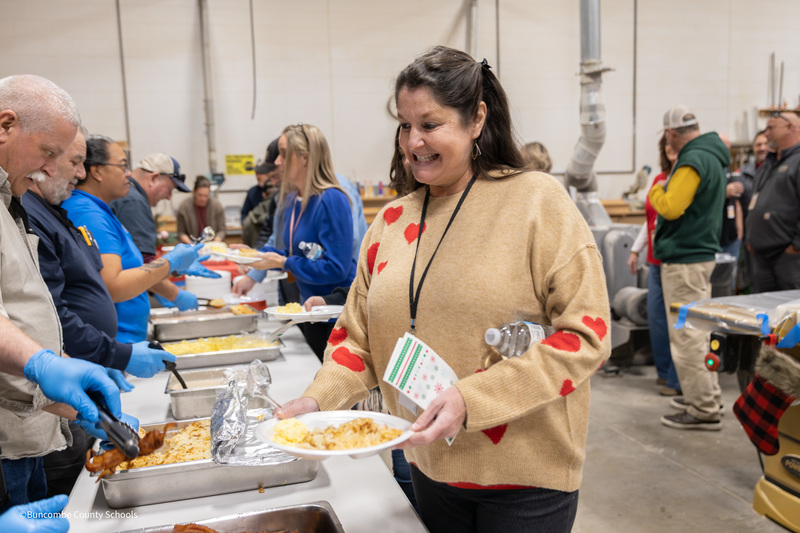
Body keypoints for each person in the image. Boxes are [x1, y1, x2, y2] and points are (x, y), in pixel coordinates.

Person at [276, 47, 610, 532]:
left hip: (525, 479)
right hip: (429, 467)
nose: (413, 142)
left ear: (476, 119)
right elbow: (356, 340)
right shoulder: (391, 222)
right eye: (404, 125)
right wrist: (316, 401)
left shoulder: (537, 203)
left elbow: (587, 338)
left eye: (430, 125)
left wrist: (470, 399)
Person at [0, 74, 131, 514]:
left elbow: (24, 312)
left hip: (26, 432)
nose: (53, 169)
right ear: (5, 125)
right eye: (48, 153)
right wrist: (44, 363)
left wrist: (65, 402)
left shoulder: (9, 201)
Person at [22, 130, 172, 495]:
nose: (79, 172)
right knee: (66, 491)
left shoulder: (60, 211)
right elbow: (52, 313)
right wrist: (112, 353)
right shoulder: (37, 213)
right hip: (45, 400)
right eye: (74, 162)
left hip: (77, 368)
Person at [62, 135, 215, 343]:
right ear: (97, 171)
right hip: (116, 338)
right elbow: (112, 285)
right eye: (123, 166)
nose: (129, 175)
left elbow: (126, 264)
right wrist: (170, 264)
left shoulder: (100, 209)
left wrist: (174, 267)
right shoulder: (89, 214)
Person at [236, 124, 357, 360]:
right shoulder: (292, 200)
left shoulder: (332, 199)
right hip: (309, 310)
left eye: (283, 153)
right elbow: (290, 252)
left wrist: (284, 263)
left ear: (305, 157)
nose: (277, 162)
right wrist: (253, 255)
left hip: (336, 316)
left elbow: (336, 268)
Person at [648, 105, 728, 430]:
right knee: (698, 331)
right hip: (697, 258)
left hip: (685, 261)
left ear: (671, 134)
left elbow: (670, 206)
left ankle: (703, 409)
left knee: (688, 336)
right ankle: (705, 394)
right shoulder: (711, 154)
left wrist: (655, 189)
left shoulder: (693, 159)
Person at [110, 153, 203, 311]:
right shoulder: (133, 202)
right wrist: (176, 295)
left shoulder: (129, 196)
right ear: (153, 178)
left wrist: (174, 267)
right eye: (169, 190)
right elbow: (145, 267)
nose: (168, 197)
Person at [627, 134, 681, 397]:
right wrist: (637, 249)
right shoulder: (659, 180)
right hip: (655, 261)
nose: (670, 150)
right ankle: (663, 373)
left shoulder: (684, 180)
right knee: (657, 320)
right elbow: (650, 221)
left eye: (675, 145)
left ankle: (677, 379)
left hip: (675, 260)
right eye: (666, 146)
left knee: (676, 323)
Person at [744, 112, 800, 292]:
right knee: (764, 313)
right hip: (761, 257)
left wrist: (796, 246)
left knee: (791, 313)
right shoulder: (767, 165)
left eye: (771, 128)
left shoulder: (797, 162)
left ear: (790, 127)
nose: (766, 133)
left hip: (788, 259)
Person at [242, 139, 281, 247]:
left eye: (274, 176)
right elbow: (269, 234)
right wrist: (255, 254)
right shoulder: (278, 197)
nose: (273, 182)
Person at [177, 176, 227, 244]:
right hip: (192, 245)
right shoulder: (184, 207)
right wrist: (190, 244)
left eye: (206, 195)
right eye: (200, 195)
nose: (203, 199)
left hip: (212, 245)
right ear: (194, 192)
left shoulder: (217, 206)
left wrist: (215, 243)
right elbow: (181, 232)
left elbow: (222, 230)